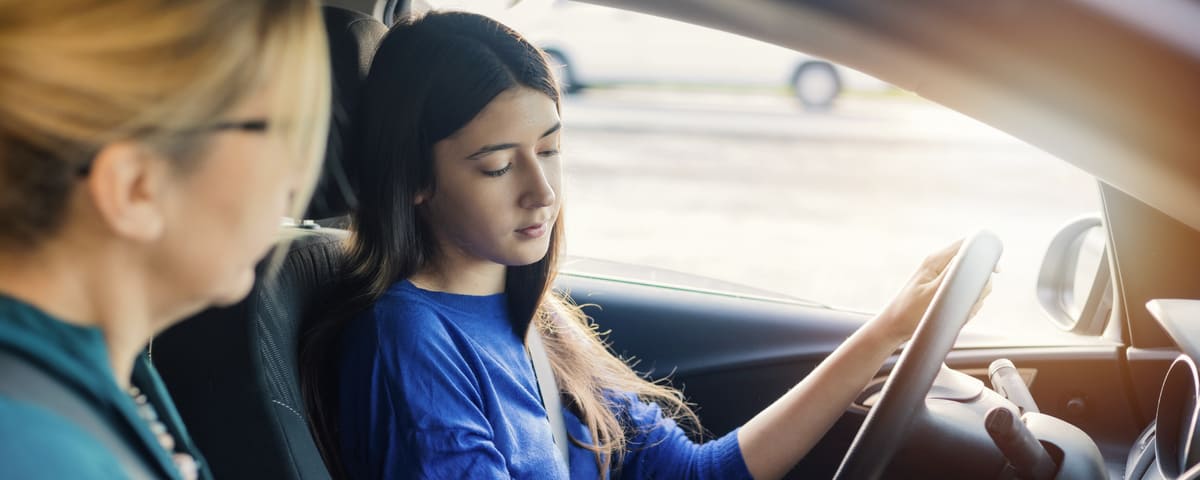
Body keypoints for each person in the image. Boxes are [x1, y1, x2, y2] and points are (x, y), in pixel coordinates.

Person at [303, 11, 966, 480]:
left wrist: (887, 330)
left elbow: (696, 474)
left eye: (550, 150)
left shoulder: (535, 317)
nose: (542, 191)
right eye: (498, 167)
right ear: (415, 179)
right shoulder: (410, 342)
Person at [0, 0, 330, 478]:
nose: (297, 176)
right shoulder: (36, 453)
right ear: (137, 188)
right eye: (282, 131)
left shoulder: (110, 369)